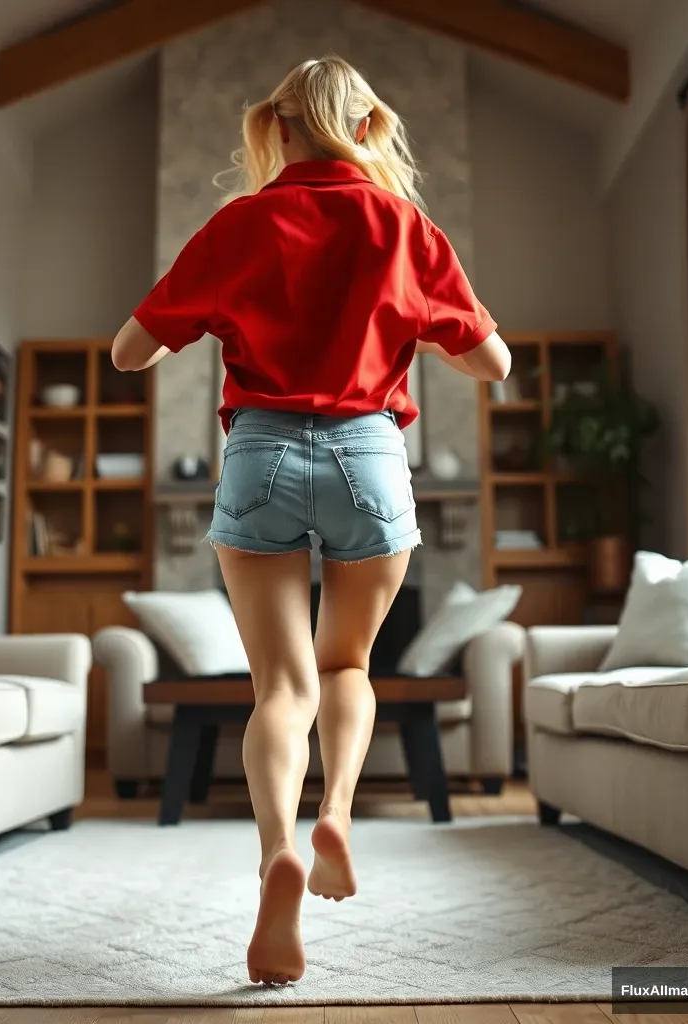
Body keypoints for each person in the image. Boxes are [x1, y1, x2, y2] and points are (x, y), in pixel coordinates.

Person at [111, 55, 510, 986]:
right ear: (368, 129)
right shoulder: (405, 225)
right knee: (347, 666)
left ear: (279, 129)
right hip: (370, 450)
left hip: (259, 453)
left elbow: (130, 353)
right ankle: (336, 813)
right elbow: (490, 363)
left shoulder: (240, 223)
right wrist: (414, 323)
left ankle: (279, 848)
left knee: (281, 688)